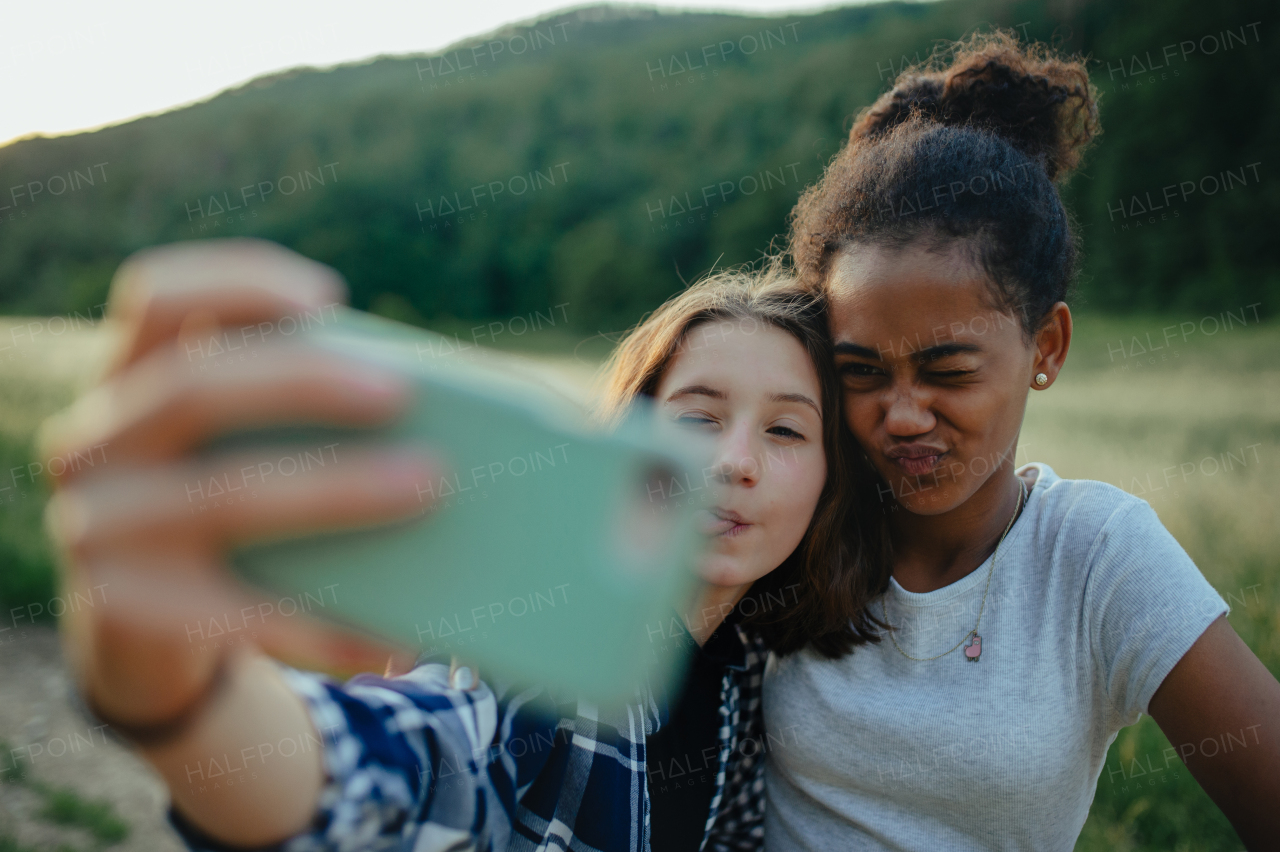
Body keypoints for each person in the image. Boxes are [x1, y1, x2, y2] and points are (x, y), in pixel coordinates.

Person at [39, 242, 887, 851]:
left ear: (826, 479)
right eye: (697, 421)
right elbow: (416, 764)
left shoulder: (746, 671)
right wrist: (184, 706)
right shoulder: (544, 654)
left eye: (784, 430)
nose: (733, 464)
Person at [763, 31, 1280, 850]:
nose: (901, 415)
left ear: (1046, 349)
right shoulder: (790, 518)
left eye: (947, 370)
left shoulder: (1096, 557)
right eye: (861, 372)